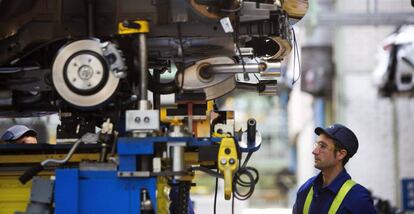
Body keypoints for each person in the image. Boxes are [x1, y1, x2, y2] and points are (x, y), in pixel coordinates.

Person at [293, 124, 377, 214]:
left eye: (322, 146)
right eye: (316, 145)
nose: (314, 151)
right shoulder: (306, 189)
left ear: (341, 154)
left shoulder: (358, 198)